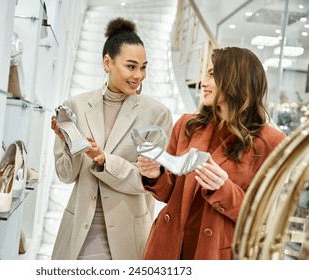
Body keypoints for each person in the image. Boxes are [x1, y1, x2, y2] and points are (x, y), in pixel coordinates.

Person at [136, 47, 287, 260]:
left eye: (212, 75)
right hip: (167, 246)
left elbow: (260, 216)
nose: (203, 83)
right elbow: (168, 193)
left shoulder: (271, 143)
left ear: (235, 80)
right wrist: (155, 175)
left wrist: (224, 188)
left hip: (215, 252)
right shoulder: (187, 125)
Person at [50, 17, 173, 260]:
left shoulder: (157, 114)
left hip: (128, 233)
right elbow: (66, 176)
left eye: (143, 67)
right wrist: (69, 144)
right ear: (107, 62)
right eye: (131, 66)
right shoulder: (76, 105)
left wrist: (104, 160)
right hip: (79, 230)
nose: (139, 75)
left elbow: (146, 182)